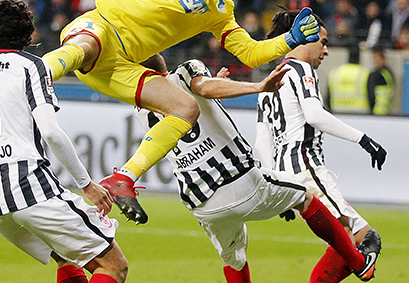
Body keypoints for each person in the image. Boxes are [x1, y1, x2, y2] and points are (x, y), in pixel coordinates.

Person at [41, 0, 321, 224]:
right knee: (85, 48)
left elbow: (250, 53)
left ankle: (123, 179)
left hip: (120, 68)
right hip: (101, 26)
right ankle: (28, 77)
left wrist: (290, 39)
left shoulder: (219, 12)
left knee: (186, 108)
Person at [0, 0, 128, 283]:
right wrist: (87, 185)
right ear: (29, 34)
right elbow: (50, 132)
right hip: (29, 188)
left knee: (68, 259)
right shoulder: (31, 66)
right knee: (113, 266)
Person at [133, 58, 380, 282]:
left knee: (233, 259)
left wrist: (212, 97)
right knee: (306, 197)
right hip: (239, 180)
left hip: (203, 204)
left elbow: (193, 118)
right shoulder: (187, 70)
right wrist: (258, 86)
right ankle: (360, 264)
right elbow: (204, 87)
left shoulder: (141, 108)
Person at [255, 10, 385, 283]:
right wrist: (363, 139)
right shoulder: (300, 69)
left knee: (361, 236)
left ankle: (360, 265)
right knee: (359, 239)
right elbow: (314, 115)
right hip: (305, 166)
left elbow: (262, 140)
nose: (326, 50)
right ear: (303, 39)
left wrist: (275, 182)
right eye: (322, 42)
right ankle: (360, 267)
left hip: (287, 175)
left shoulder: (271, 78)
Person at [327, 45, 370, 114]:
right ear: (359, 58)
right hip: (360, 115)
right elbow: (371, 96)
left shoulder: (335, 72)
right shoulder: (364, 73)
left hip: (337, 113)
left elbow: (328, 96)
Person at [367, 47, 394, 115]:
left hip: (380, 109)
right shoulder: (385, 72)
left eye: (377, 58)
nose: (375, 61)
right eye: (374, 58)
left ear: (383, 59)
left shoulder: (382, 74)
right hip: (381, 108)